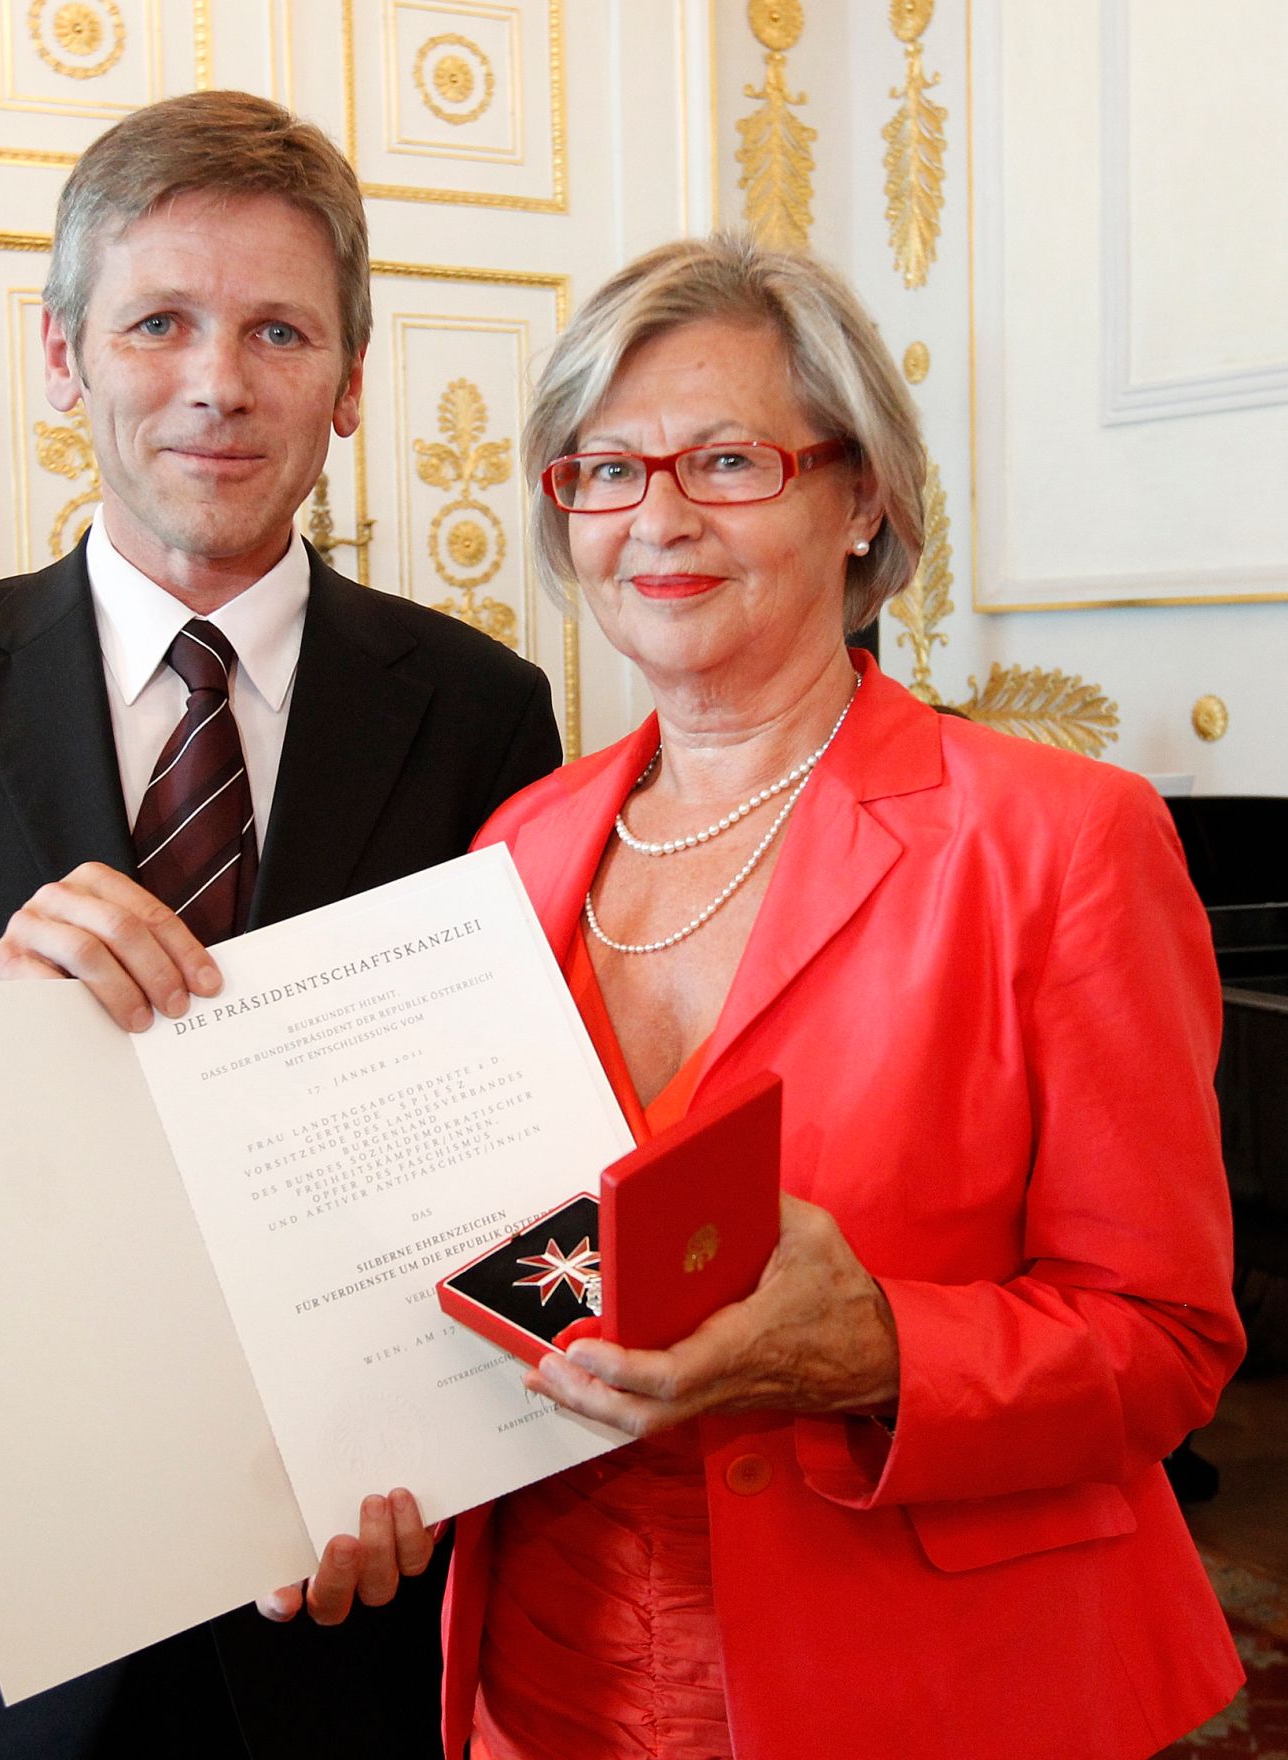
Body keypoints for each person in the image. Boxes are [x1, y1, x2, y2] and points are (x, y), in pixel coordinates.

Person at [0, 91, 560, 1760]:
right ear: (61, 359)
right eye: (157, 320)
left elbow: (523, 1170)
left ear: (351, 382)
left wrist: (461, 1461)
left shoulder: (477, 709)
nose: (216, 382)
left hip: (343, 1602)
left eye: (277, 330)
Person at [437, 233, 1246, 1760]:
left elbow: (1167, 1337)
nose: (655, 518)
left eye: (727, 459)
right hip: (546, 1674)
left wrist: (881, 1347)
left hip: (926, 1681)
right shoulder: (519, 843)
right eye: (602, 470)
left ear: (858, 493)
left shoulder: (1059, 840)